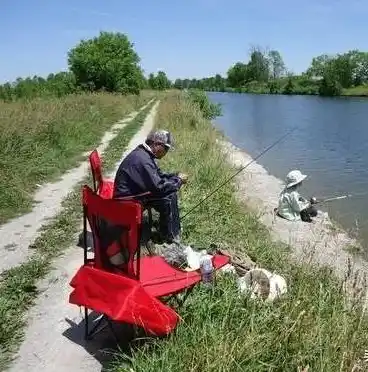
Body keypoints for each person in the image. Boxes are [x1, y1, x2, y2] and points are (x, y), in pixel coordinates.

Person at [113, 130, 188, 243]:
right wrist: (178, 181)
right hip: (126, 201)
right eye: (166, 149)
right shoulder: (143, 160)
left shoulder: (143, 153)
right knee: (167, 197)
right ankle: (169, 236)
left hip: (131, 194)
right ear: (157, 144)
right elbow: (159, 188)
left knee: (168, 194)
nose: (166, 152)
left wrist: (174, 176)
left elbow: (157, 175)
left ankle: (168, 231)